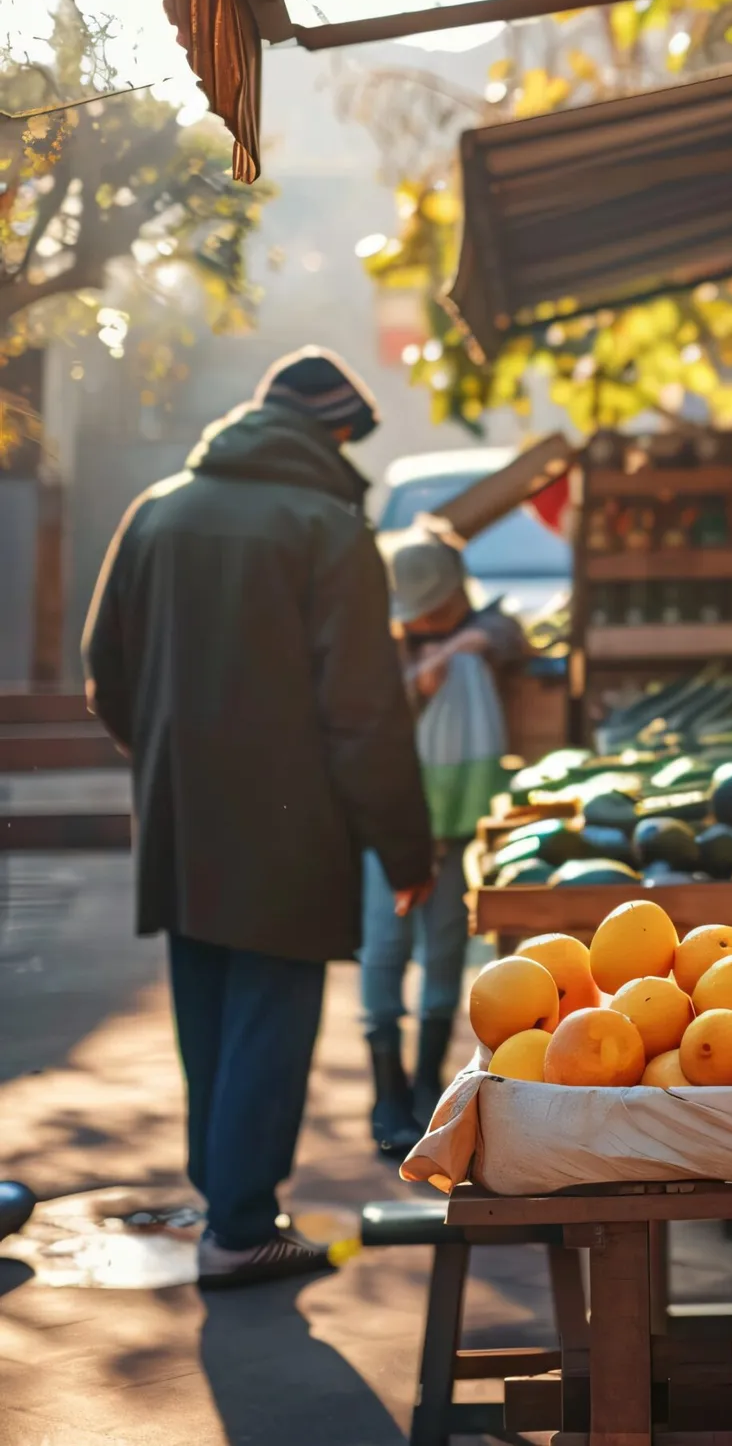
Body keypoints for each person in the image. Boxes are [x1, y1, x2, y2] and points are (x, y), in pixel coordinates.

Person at [83, 347, 433, 1290]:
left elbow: (101, 672)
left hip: (182, 820)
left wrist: (168, 761)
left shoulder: (156, 511)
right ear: (331, 435)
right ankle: (239, 1229)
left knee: (208, 1016)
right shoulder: (326, 528)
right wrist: (407, 848)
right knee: (271, 1021)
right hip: (290, 826)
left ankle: (230, 1207)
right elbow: (363, 713)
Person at [364, 522, 526, 1155]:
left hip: (460, 826)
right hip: (389, 823)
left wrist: (467, 642)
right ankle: (386, 1090)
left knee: (444, 952)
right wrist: (420, 675)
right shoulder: (377, 649)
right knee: (384, 947)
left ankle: (428, 1081)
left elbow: (510, 634)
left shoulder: (481, 635)